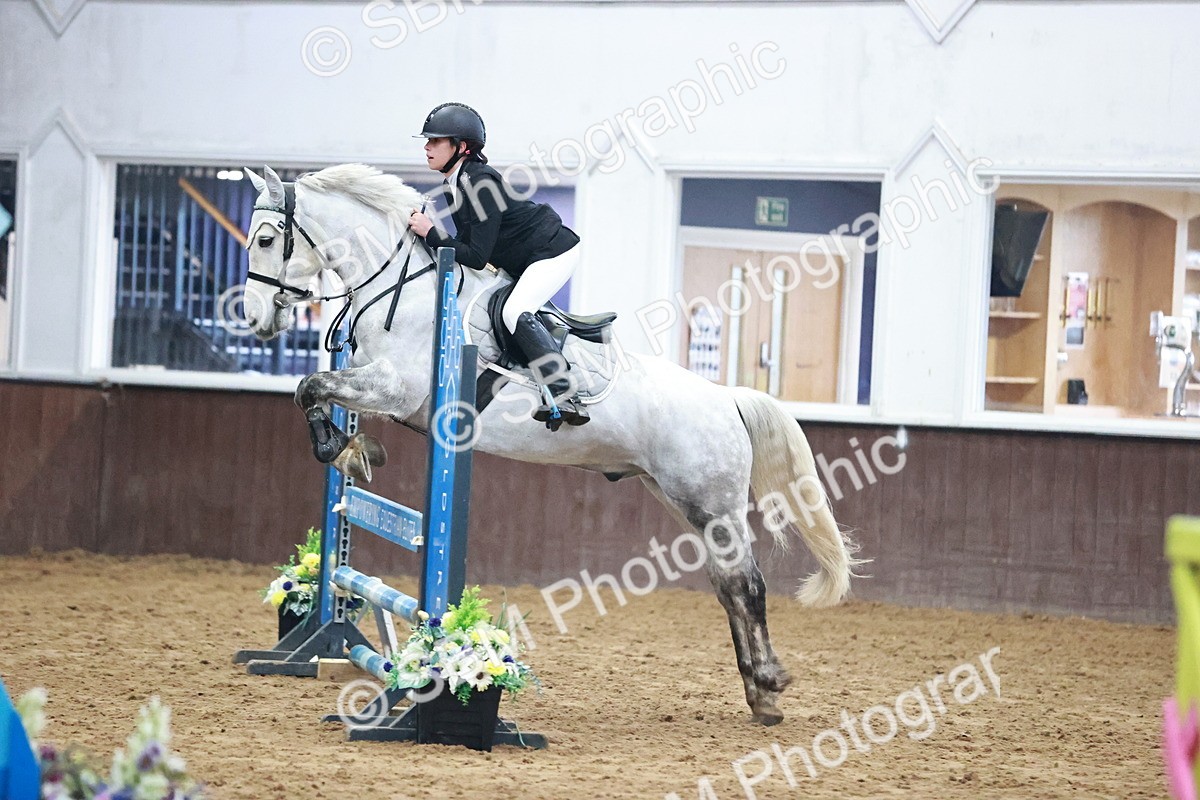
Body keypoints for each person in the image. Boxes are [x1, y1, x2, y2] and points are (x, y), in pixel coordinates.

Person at [407, 102, 588, 427]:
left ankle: (564, 392)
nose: (427, 147)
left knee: (514, 311)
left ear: (461, 147)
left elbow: (476, 257)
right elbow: (466, 246)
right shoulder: (455, 184)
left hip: (553, 251)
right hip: (525, 258)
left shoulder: (479, 182)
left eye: (435, 140)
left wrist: (432, 233)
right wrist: (432, 236)